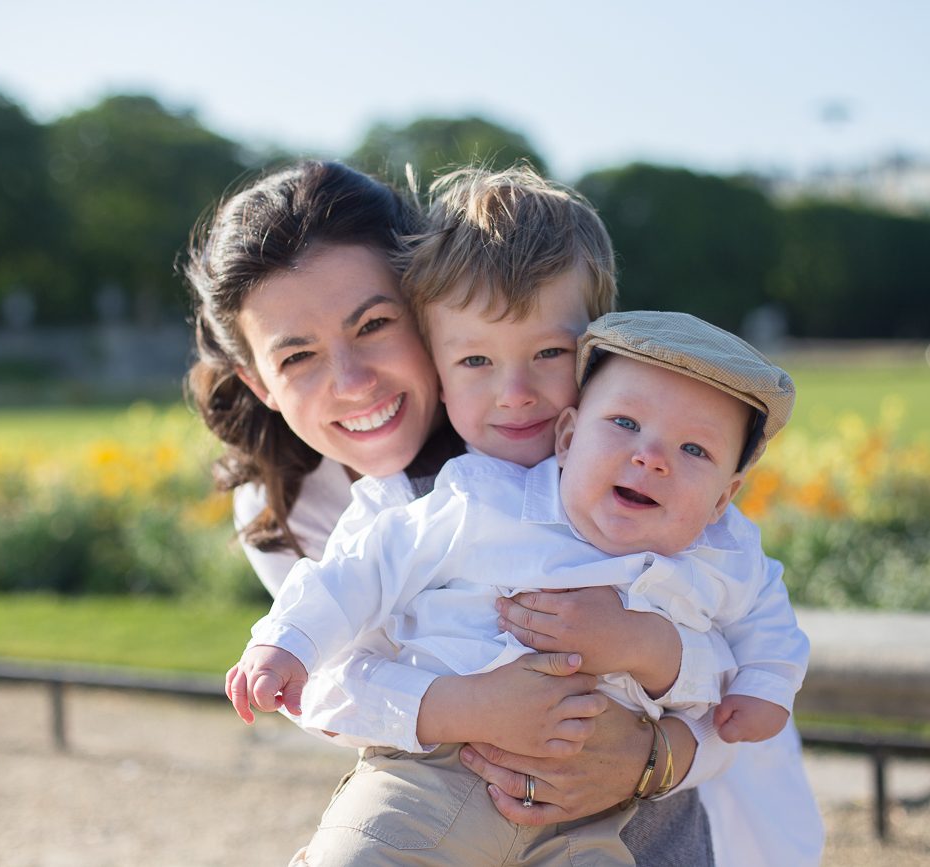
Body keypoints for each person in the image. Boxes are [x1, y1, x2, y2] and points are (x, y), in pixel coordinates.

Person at [187, 161, 732, 864]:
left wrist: (652, 752)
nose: (352, 383)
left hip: (647, 792)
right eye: (299, 357)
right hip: (452, 793)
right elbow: (335, 680)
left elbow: (741, 664)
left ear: (430, 306)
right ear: (259, 383)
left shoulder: (600, 451)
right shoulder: (288, 507)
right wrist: (468, 706)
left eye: (375, 323)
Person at [230, 307, 810, 866]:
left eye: (694, 450)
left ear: (721, 499)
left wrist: (761, 685)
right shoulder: (482, 501)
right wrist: (289, 639)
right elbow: (361, 569)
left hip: (595, 814)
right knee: (366, 852)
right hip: (438, 774)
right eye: (626, 424)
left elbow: (768, 627)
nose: (651, 457)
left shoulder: (724, 557)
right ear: (568, 437)